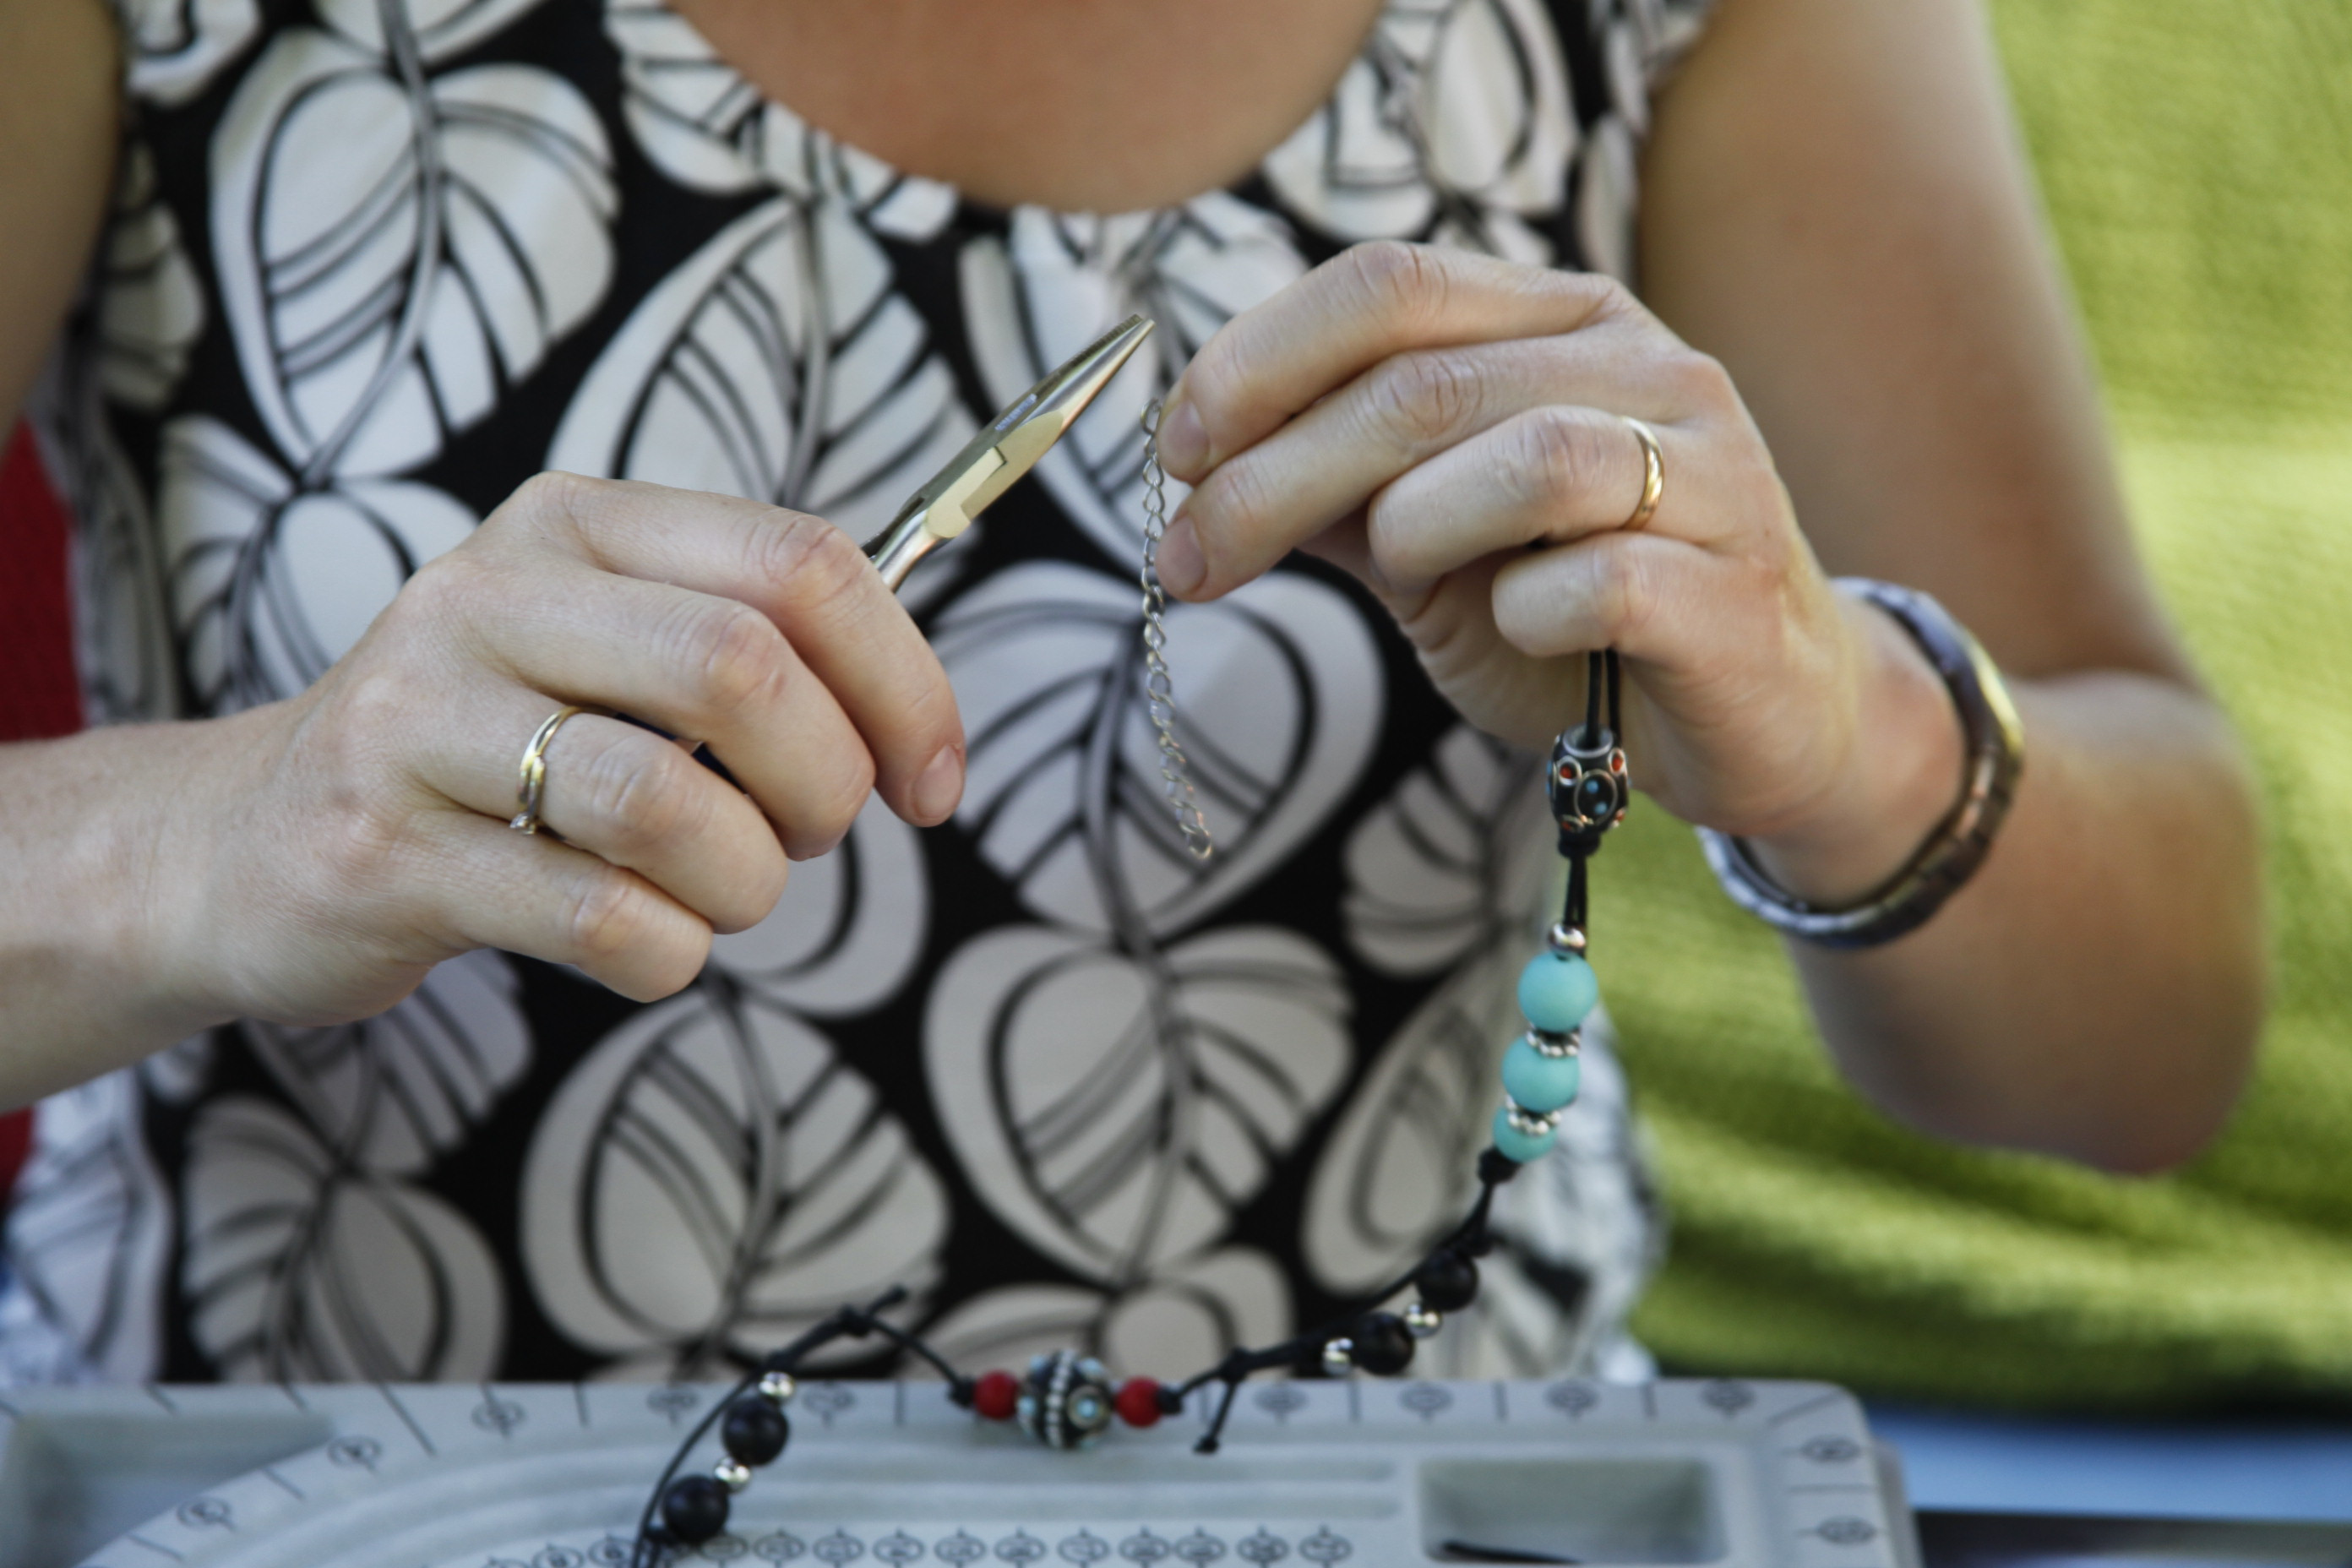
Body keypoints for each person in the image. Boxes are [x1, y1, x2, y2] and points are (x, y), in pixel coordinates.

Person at [0, 0, 2262, 1388]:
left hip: (1431, 1492)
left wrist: (1846, 726)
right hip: (281, 1480)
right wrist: (238, 826)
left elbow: (2159, 1039)